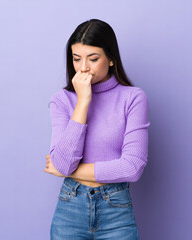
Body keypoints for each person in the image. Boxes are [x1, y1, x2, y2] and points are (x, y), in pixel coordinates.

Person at [44, 18, 150, 239]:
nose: (83, 68)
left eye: (93, 59)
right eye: (76, 59)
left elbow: (132, 168)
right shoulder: (62, 100)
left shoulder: (132, 98)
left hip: (116, 210)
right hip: (70, 208)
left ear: (111, 59)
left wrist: (67, 171)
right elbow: (64, 161)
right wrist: (83, 102)